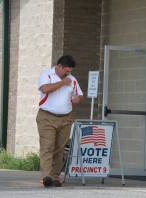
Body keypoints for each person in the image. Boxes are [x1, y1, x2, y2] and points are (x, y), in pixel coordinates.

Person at [36, 55, 83, 187]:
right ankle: (46, 176)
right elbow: (45, 89)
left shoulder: (72, 80)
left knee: (59, 148)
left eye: (70, 72)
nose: (68, 74)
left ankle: (55, 177)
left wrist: (78, 99)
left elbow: (79, 95)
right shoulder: (47, 75)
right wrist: (62, 83)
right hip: (47, 117)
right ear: (59, 66)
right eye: (66, 71)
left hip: (66, 118)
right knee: (47, 146)